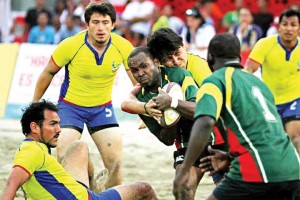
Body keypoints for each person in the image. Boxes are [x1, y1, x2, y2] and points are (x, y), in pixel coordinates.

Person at [173, 33, 300, 200]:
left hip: (259, 168)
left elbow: (204, 122)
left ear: (210, 58)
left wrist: (184, 170)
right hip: (292, 168)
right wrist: (230, 156)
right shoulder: (259, 84)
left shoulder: (214, 81)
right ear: (239, 57)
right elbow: (263, 131)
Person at [32, 1, 137, 189]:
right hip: (70, 107)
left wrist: (144, 110)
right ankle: (89, 178)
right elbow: (48, 73)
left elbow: (136, 82)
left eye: (105, 22)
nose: (100, 28)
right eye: (95, 22)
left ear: (113, 24)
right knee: (65, 154)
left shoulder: (123, 46)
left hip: (102, 108)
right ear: (87, 24)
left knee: (116, 168)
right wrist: (34, 103)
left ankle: (100, 192)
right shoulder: (71, 45)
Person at [1, 100, 157, 200]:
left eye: (59, 123)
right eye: (53, 124)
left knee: (79, 146)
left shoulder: (33, 147)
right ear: (34, 127)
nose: (59, 129)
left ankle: (93, 186)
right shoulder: (30, 151)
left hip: (77, 191)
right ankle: (94, 190)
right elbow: (10, 186)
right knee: (144, 189)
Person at [124, 46, 224, 199]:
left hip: (214, 137)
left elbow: (200, 110)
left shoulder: (179, 73)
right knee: (182, 188)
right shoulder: (142, 100)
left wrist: (172, 103)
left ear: (157, 62)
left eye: (144, 66)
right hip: (186, 144)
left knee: (229, 192)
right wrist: (169, 120)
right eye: (135, 70)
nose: (140, 73)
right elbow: (167, 140)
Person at [245, 9, 300, 154]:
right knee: (272, 144)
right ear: (279, 26)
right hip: (269, 101)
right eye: (285, 24)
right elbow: (248, 70)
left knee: (295, 137)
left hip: (295, 99)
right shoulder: (265, 44)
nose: (289, 28)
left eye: (293, 25)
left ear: (299, 28)